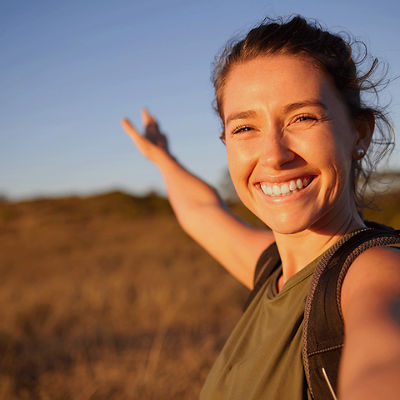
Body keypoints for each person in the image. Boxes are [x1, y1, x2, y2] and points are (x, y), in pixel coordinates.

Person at [121, 15, 400, 400]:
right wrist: (162, 158)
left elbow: (383, 366)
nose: (273, 155)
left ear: (359, 133)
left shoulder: (375, 273)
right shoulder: (273, 268)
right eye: (244, 128)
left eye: (303, 117)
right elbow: (201, 212)